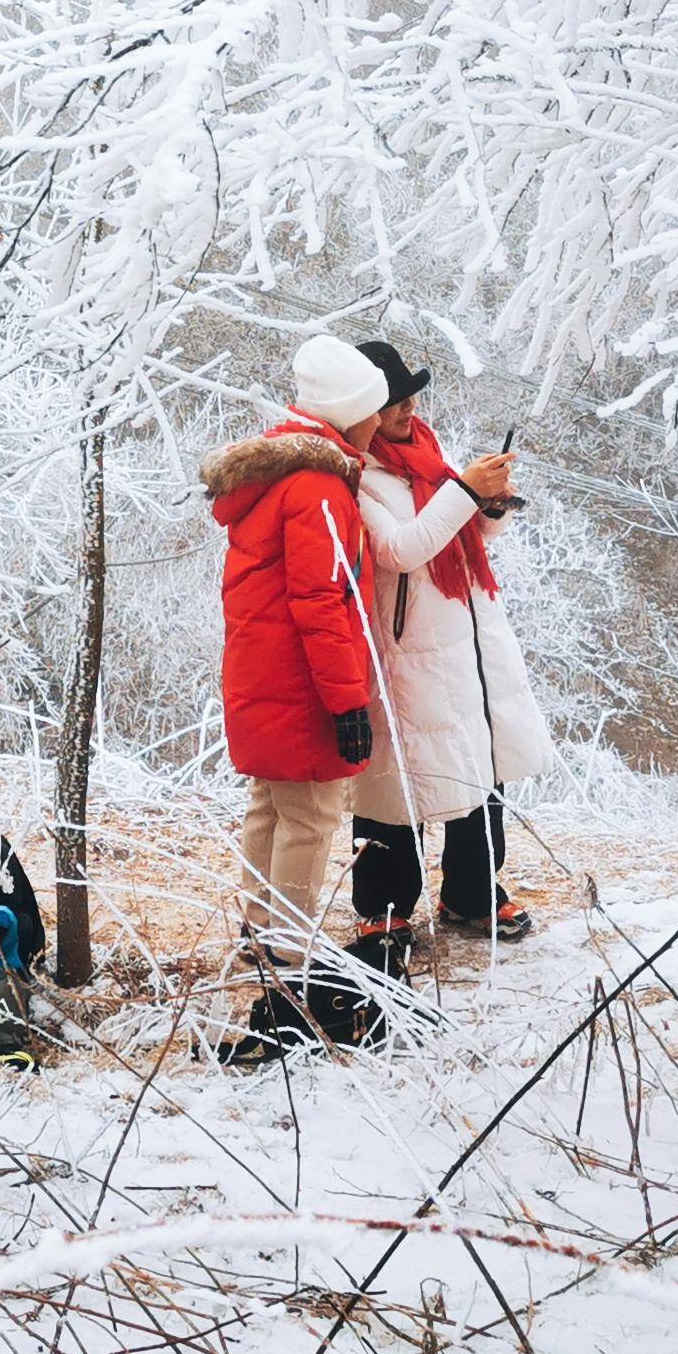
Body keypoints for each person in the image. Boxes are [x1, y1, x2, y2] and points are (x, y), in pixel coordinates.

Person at [341, 340, 547, 945]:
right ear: (364, 408)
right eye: (393, 401)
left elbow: (462, 530)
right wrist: (463, 490)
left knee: (478, 759)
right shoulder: (358, 475)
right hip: (405, 645)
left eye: (409, 395)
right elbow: (399, 549)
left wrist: (490, 504)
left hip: (467, 631)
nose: (408, 408)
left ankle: (474, 893)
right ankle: (382, 908)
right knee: (395, 773)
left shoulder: (425, 452)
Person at [202, 333, 387, 966]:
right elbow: (321, 602)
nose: (379, 422)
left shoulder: (276, 478)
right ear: (346, 411)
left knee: (271, 808)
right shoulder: (319, 488)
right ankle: (288, 948)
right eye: (373, 409)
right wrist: (348, 702)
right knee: (309, 815)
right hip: (305, 686)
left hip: (263, 676)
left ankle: (260, 930)